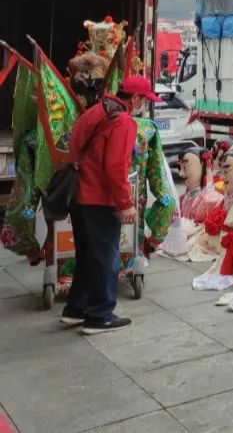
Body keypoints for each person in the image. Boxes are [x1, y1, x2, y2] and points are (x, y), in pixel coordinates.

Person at [61, 76, 160, 334]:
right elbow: (116, 167)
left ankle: (76, 309)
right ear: (135, 98)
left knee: (86, 257)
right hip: (99, 199)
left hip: (79, 197)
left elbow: (73, 147)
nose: (143, 106)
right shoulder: (123, 121)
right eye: (144, 100)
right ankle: (100, 315)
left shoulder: (95, 111)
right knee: (105, 257)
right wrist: (125, 204)